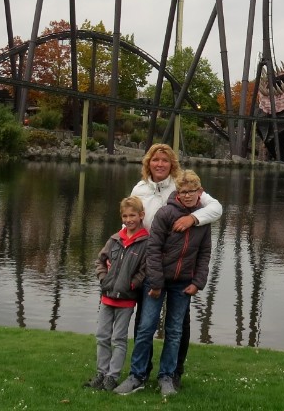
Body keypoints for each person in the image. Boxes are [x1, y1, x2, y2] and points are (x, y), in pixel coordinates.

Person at [114, 143, 222, 394]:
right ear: (148, 163)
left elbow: (215, 210)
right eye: (155, 160)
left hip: (181, 273)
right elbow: (128, 220)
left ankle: (172, 375)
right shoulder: (140, 188)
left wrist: (193, 218)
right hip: (149, 267)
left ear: (172, 164)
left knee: (177, 328)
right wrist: (117, 251)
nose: (159, 164)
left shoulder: (182, 186)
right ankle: (139, 374)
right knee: (145, 324)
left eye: (164, 160)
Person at [84, 196, 149, 392]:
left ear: (141, 216)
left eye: (133, 215)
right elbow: (100, 261)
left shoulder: (146, 242)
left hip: (126, 300)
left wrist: (132, 284)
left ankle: (112, 376)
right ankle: (101, 374)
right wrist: (103, 278)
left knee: (118, 339)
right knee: (102, 336)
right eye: (125, 216)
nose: (129, 219)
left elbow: (145, 270)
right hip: (107, 297)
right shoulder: (114, 239)